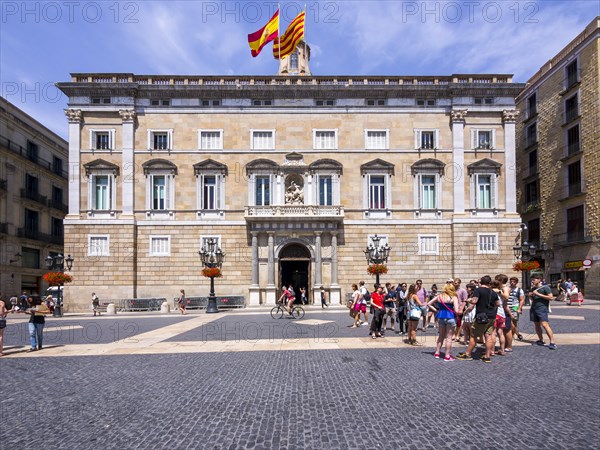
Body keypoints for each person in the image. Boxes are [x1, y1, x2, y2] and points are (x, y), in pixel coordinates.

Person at [457, 275, 501, 363]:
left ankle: (468, 354)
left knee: (473, 336)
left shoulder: (478, 290)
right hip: (491, 317)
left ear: (481, 282)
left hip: (481, 317)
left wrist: (467, 300)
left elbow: (474, 301)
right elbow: (498, 304)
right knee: (488, 336)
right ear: (489, 283)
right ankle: (487, 356)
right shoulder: (493, 292)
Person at [428, 282, 460, 361]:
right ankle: (447, 356)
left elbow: (429, 303)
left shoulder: (439, 296)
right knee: (449, 338)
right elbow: (456, 310)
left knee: (441, 336)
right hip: (450, 317)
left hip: (441, 316)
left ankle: (437, 352)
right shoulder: (454, 297)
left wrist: (436, 310)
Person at [529, 274, 557, 350]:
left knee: (545, 325)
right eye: (532, 280)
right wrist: (531, 295)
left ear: (539, 280)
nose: (532, 281)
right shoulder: (533, 288)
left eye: (534, 279)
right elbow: (533, 298)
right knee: (537, 325)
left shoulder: (546, 288)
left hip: (542, 308)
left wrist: (538, 294)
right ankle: (541, 340)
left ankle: (552, 342)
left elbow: (551, 297)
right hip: (534, 308)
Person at [506, 277, 525, 349]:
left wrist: (519, 308)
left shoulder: (519, 290)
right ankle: (518, 334)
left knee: (514, 322)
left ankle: (513, 335)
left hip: (515, 307)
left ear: (516, 282)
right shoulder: (507, 289)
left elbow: (522, 300)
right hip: (507, 306)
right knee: (510, 322)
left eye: (513, 281)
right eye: (511, 281)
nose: (512, 283)